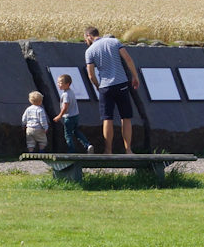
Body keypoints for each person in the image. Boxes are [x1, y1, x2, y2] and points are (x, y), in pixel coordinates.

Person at [83, 26, 141, 154]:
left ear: (89, 36)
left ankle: (108, 150)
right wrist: (135, 76)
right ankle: (128, 150)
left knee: (107, 118)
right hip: (122, 83)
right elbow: (128, 59)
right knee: (126, 117)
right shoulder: (114, 42)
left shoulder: (90, 51)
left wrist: (98, 86)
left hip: (105, 86)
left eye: (85, 39)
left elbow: (91, 74)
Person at [53, 72, 88, 152]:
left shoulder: (66, 95)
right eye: (58, 82)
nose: (58, 84)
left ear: (67, 84)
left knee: (68, 134)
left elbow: (65, 107)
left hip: (69, 117)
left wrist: (59, 116)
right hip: (76, 116)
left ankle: (71, 150)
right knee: (76, 131)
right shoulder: (71, 92)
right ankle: (87, 144)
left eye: (60, 83)